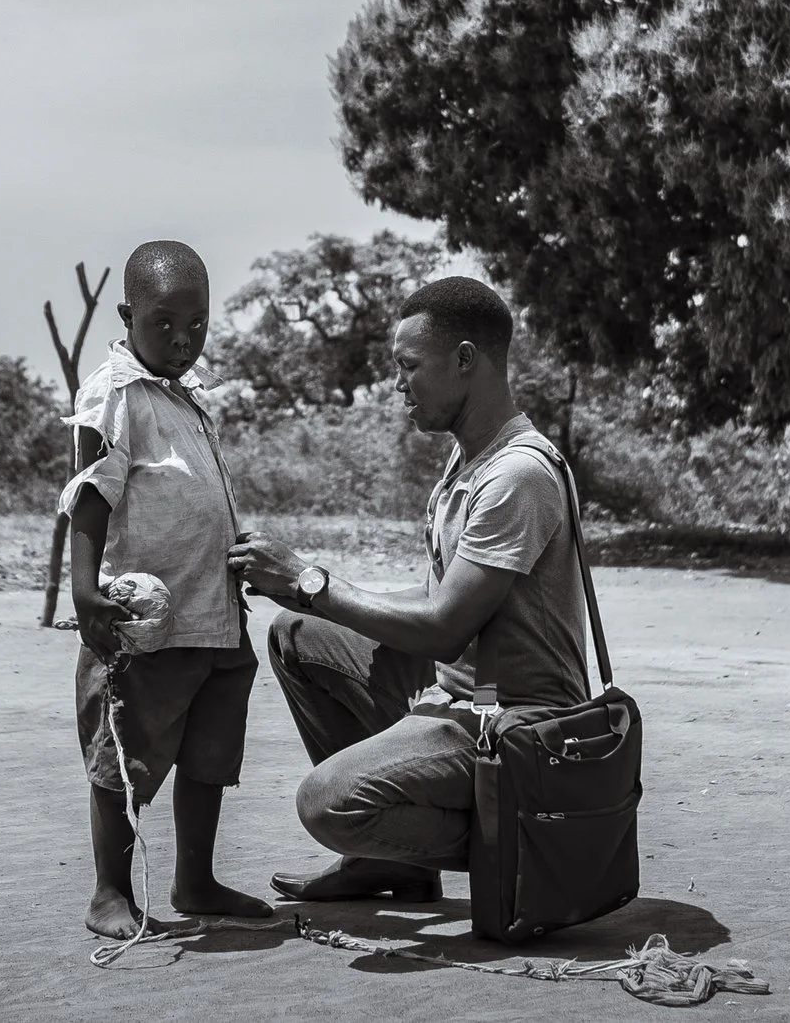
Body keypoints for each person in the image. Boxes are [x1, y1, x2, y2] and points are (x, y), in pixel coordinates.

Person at [229, 276, 587, 903]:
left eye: (408, 366)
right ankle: (394, 863)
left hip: (519, 721)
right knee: (298, 634)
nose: (398, 385)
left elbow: (446, 626)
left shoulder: (517, 475)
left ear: (465, 359)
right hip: (469, 692)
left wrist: (313, 582)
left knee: (326, 803)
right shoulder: (466, 460)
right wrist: (308, 598)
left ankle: (523, 834)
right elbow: (439, 609)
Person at [62, 240, 271, 939]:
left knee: (209, 755)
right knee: (124, 755)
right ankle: (109, 892)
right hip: (146, 624)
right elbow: (91, 497)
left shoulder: (187, 395)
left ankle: (196, 879)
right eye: (164, 323)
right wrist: (85, 592)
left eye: (198, 324)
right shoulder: (115, 394)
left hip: (216, 615)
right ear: (127, 315)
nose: (183, 339)